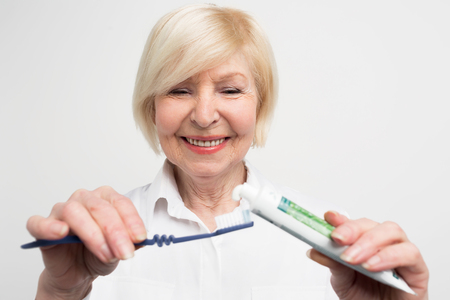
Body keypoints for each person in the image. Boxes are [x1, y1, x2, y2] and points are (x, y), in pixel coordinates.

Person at [26, 4, 429, 300]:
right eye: (178, 89)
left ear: (260, 105)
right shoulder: (90, 246)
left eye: (231, 90)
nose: (203, 116)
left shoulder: (334, 248)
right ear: (151, 105)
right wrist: (60, 291)